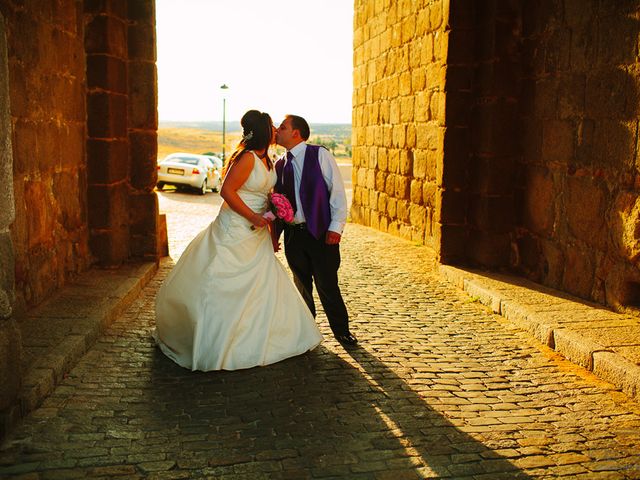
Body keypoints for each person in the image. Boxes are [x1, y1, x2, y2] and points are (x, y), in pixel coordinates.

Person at [154, 110, 323, 371]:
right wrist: (253, 217)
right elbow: (227, 192)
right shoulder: (246, 158)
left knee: (263, 282)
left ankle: (266, 335)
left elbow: (266, 194)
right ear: (264, 131)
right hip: (235, 228)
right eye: (272, 126)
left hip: (257, 231)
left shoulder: (267, 158)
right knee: (221, 281)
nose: (276, 129)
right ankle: (218, 339)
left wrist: (269, 227)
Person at [274, 114, 358, 347]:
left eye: (282, 127)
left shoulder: (319, 154)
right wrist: (275, 235)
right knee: (301, 286)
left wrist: (336, 228)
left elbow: (337, 193)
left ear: (296, 133)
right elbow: (278, 203)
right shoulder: (280, 164)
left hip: (320, 233)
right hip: (294, 235)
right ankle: (307, 333)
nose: (277, 131)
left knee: (327, 284)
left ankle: (342, 331)